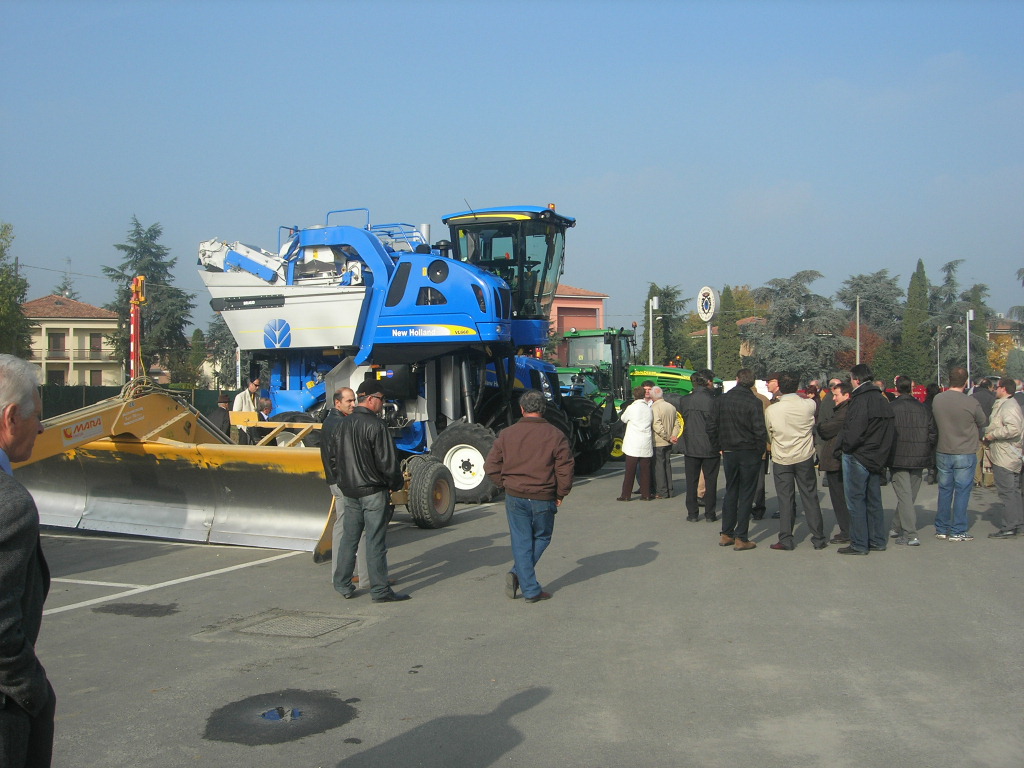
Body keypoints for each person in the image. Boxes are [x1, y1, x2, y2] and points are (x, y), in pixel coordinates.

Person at [0, 355, 55, 768]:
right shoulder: (11, 506)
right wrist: (31, 690)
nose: (40, 428)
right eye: (35, 415)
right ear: (10, 417)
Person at [484, 389, 573, 603]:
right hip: (543, 495)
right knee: (542, 537)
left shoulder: (507, 434)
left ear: (522, 409)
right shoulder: (555, 435)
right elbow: (565, 469)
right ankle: (527, 585)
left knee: (521, 540)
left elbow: (490, 466)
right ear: (543, 409)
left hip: (515, 495)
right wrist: (561, 492)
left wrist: (504, 484)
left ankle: (521, 576)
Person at [332, 382, 408, 602]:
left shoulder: (343, 424)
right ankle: (380, 590)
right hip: (373, 490)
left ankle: (342, 584)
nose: (383, 403)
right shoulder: (376, 425)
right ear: (372, 399)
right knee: (375, 541)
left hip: (350, 490)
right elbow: (387, 461)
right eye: (382, 399)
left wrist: (343, 482)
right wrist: (396, 483)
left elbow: (335, 458)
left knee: (349, 539)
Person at [836, 364, 895, 555]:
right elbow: (889, 431)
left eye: (851, 378)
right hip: (876, 456)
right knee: (874, 500)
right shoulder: (881, 399)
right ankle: (877, 540)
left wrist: (846, 448)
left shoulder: (861, 400)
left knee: (856, 501)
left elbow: (854, 431)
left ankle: (859, 543)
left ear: (857, 379)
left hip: (859, 455)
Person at [765, 372, 827, 550]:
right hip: (804, 455)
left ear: (780, 387)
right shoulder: (809, 404)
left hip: (782, 456)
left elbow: (769, 434)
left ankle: (786, 538)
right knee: (810, 496)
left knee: (785, 499)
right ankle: (818, 537)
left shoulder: (772, 410)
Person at [931, 366, 987, 542]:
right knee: (962, 491)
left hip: (943, 448)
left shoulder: (938, 399)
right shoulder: (971, 402)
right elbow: (982, 421)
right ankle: (958, 530)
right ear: (966, 382)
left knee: (945, 490)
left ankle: (941, 527)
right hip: (964, 450)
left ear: (949, 379)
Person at [319, 387, 367, 592]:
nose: (353, 404)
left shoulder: (330, 422)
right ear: (337, 403)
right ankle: (365, 577)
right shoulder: (340, 424)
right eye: (349, 401)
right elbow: (342, 457)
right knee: (357, 528)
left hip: (335, 481)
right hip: (343, 483)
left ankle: (338, 573)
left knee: (341, 526)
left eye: (354, 400)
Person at [716, 369, 767, 551]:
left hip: (729, 450)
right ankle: (741, 536)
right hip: (748, 450)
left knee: (731, 490)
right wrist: (759, 450)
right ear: (752, 383)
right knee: (746, 493)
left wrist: (719, 445)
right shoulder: (753, 402)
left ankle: (726, 533)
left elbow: (711, 425)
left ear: (737, 380)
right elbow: (760, 430)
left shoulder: (722, 400)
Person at [887, 376, 937, 547]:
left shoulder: (891, 408)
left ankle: (909, 533)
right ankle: (898, 526)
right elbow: (932, 433)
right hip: (918, 456)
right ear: (912, 388)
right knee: (908, 496)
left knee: (905, 496)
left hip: (897, 456)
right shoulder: (923, 409)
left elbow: (885, 432)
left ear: (896, 388)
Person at [678, 369, 720, 522]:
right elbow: (715, 424)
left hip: (690, 445)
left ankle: (692, 513)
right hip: (710, 445)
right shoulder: (713, 400)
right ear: (707, 381)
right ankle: (710, 513)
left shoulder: (684, 400)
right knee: (711, 481)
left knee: (691, 481)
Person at [983, 379, 1023, 538]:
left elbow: (1013, 428)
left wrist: (993, 434)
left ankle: (1010, 526)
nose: (995, 389)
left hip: (1005, 454)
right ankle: (1018, 524)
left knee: (1008, 492)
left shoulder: (1008, 406)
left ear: (1004, 389)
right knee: (1013, 492)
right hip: (1009, 453)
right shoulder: (1008, 404)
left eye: (997, 387)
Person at [816, 380, 852, 544]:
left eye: (836, 395)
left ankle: (847, 531)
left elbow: (825, 428)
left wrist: (822, 426)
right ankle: (848, 529)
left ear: (846, 395)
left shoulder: (845, 412)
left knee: (840, 497)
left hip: (837, 459)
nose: (834, 398)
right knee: (841, 496)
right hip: (837, 458)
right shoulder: (842, 410)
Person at [618, 386, 654, 501]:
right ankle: (646, 494)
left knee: (630, 470)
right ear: (644, 395)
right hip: (646, 441)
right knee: (645, 470)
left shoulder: (632, 408)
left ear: (634, 395)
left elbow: (623, 419)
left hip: (633, 442)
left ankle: (626, 495)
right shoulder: (648, 409)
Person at [649, 386, 679, 499]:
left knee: (659, 467)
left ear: (652, 396)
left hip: (659, 442)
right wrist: (673, 436)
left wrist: (667, 437)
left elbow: (656, 425)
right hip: (669, 441)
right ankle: (670, 490)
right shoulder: (671, 406)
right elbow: (677, 423)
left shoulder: (654, 408)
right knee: (667, 465)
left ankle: (662, 491)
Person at [972, 377, 996, 487]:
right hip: (989, 431)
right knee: (989, 457)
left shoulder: (972, 397)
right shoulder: (993, 398)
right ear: (989, 387)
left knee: (977, 458)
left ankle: (977, 480)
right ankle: (988, 481)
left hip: (975, 431)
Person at [232, 376, 261, 445]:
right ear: (250, 384)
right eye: (256, 385)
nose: (258, 387)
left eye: (259, 385)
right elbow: (236, 413)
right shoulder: (240, 396)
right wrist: (241, 427)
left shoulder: (257, 397)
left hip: (255, 429)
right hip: (244, 429)